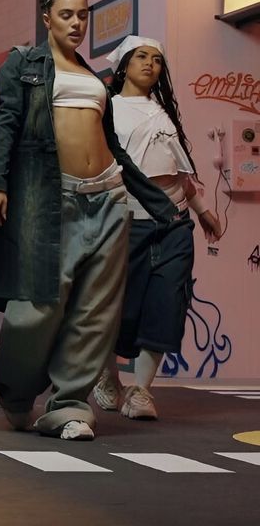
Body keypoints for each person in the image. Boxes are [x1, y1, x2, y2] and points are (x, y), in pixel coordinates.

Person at [0, 0, 179, 441]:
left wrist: (157, 202)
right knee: (37, 306)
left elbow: (112, 144)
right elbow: (10, 122)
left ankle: (70, 405)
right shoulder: (26, 62)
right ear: (47, 18)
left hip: (109, 196)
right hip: (51, 198)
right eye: (66, 15)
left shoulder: (94, 75)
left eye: (82, 15)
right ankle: (16, 392)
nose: (77, 24)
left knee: (95, 311)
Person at [92, 36, 221, 420]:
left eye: (157, 60)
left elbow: (181, 173)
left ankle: (142, 391)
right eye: (142, 57)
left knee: (166, 305)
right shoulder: (107, 109)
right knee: (115, 308)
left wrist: (201, 210)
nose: (150, 64)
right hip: (125, 220)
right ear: (124, 65)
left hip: (174, 224)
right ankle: (107, 377)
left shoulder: (164, 112)